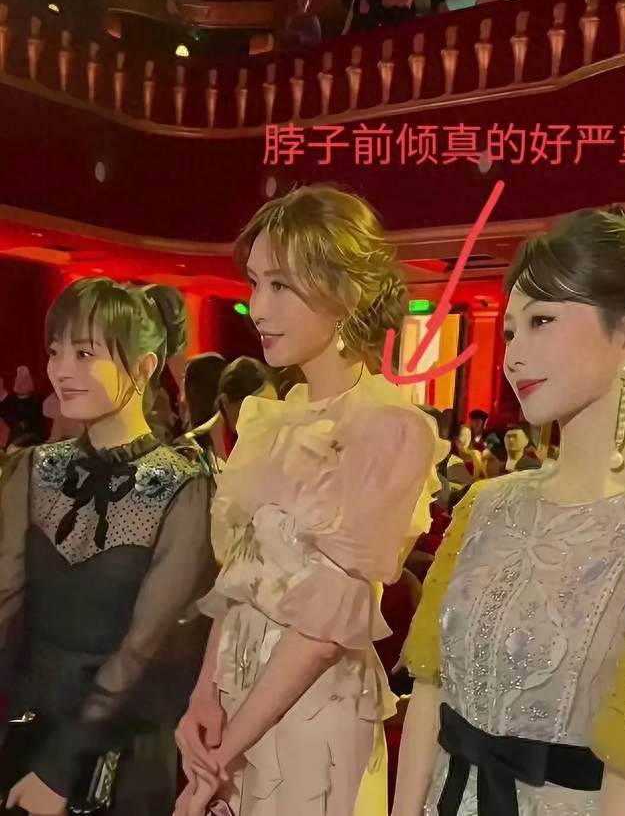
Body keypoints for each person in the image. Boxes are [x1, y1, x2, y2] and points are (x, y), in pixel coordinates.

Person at [174, 186, 446, 816]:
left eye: (280, 286)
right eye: (254, 283)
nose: (256, 307)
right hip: (236, 699)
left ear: (343, 292)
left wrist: (220, 758)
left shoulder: (390, 427)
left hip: (312, 712)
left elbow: (326, 628)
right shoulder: (272, 417)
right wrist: (205, 693)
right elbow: (240, 576)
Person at [393, 208, 625, 816]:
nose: (513, 356)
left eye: (542, 321)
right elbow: (428, 691)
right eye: (508, 333)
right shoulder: (485, 506)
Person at [0, 277, 212, 816]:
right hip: (28, 728)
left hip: (122, 752)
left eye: (84, 353)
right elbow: (4, 604)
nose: (61, 370)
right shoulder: (32, 468)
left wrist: (60, 769)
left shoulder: (183, 487)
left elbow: (147, 646)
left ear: (142, 368)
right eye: (55, 351)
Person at [0, 366, 47, 448]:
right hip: (12, 433)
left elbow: (38, 426)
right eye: (18, 379)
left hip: (32, 437)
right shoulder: (10, 399)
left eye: (25, 379)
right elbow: (4, 415)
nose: (21, 383)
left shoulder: (37, 400)